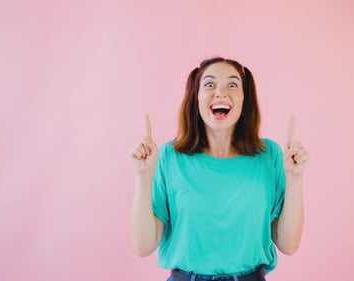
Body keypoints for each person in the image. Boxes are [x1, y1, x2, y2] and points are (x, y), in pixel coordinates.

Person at [129, 57, 309, 281]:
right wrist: (143, 176)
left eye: (232, 84)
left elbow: (288, 244)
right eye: (209, 84)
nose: (220, 92)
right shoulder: (170, 157)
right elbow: (143, 246)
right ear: (197, 98)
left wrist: (295, 177)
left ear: (245, 99)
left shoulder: (268, 155)